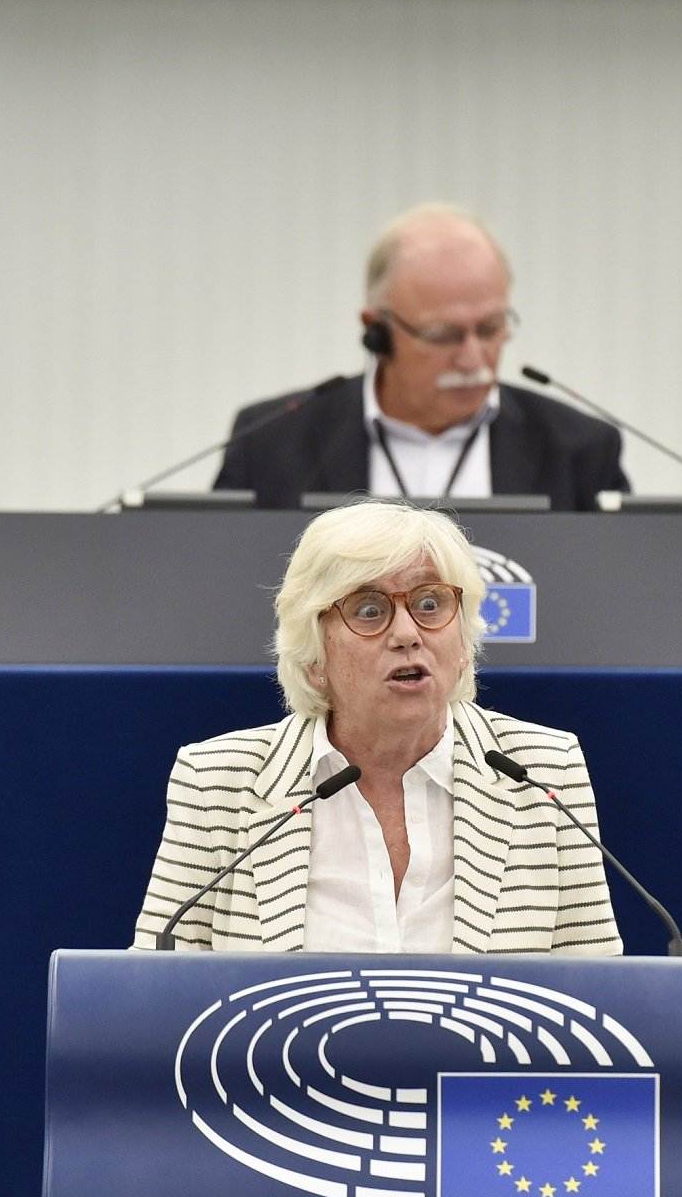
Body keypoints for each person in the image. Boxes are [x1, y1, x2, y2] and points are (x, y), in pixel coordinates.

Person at [133, 499, 623, 954]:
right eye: (369, 610)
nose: (408, 634)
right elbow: (151, 998)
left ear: (465, 641)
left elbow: (597, 995)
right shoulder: (219, 781)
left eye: (430, 604)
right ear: (314, 656)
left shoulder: (543, 769)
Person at [213, 203, 630, 510]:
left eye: (490, 329)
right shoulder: (270, 444)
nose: (473, 359)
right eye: (443, 335)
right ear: (376, 330)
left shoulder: (581, 451)